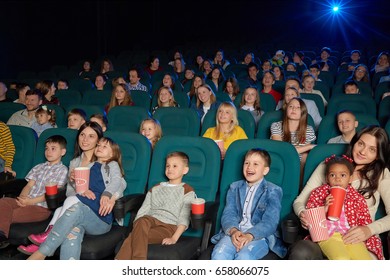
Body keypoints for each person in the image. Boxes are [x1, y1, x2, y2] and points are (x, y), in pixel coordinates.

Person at [289, 125, 390, 260]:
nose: (363, 152)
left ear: (378, 155)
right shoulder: (329, 166)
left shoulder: (381, 174)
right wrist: (304, 214)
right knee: (302, 251)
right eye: (361, 144)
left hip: (361, 239)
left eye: (372, 150)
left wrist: (369, 229)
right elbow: (299, 201)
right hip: (325, 235)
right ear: (354, 142)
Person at [27, 136, 126, 260]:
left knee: (76, 208)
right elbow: (80, 186)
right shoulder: (90, 166)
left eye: (104, 146)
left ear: (113, 153)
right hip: (85, 213)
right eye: (99, 145)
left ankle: (42, 252)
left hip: (100, 217)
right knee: (72, 231)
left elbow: (117, 181)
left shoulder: (112, 164)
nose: (99, 147)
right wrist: (74, 180)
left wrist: (108, 195)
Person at [21, 122, 103, 253]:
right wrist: (73, 182)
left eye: (91, 136)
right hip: (76, 208)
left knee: (67, 205)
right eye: (82, 134)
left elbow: (118, 184)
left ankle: (44, 242)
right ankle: (45, 240)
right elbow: (69, 193)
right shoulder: (74, 162)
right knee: (66, 213)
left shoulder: (103, 160)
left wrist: (110, 196)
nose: (85, 139)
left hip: (94, 210)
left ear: (98, 140)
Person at [115, 151, 196, 260]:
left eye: (175, 166)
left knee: (133, 238)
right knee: (142, 220)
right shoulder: (156, 188)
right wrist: (138, 226)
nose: (170, 169)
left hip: (168, 227)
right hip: (148, 221)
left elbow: (184, 217)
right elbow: (143, 211)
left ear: (185, 170)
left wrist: (174, 238)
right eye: (167, 166)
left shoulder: (187, 190)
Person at [211, 148, 286, 260]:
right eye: (247, 163)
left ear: (265, 170)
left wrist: (250, 235)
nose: (250, 167)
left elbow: (270, 221)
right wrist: (233, 231)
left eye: (256, 164)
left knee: (244, 257)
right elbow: (229, 213)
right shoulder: (234, 187)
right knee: (219, 254)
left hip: (259, 236)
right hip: (236, 232)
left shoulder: (273, 190)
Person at [305, 155, 384, 260]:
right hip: (328, 236)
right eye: (332, 175)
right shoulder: (318, 193)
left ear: (350, 178)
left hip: (350, 235)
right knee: (341, 258)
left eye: (343, 175)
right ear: (326, 178)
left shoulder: (357, 197)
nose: (337, 179)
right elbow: (310, 217)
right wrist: (325, 208)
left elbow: (364, 220)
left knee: (363, 259)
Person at [0, 135, 68, 248]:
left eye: (53, 148)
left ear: (63, 152)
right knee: (3, 202)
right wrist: (22, 198)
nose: (48, 151)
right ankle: (2, 235)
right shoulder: (39, 167)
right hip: (25, 201)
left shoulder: (63, 170)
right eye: (46, 148)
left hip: (41, 207)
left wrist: (30, 202)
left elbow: (51, 193)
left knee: (9, 214)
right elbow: (28, 185)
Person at [271, 97, 316, 185]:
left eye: (298, 107)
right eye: (291, 106)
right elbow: (281, 150)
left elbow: (303, 153)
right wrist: (310, 146)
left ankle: (299, 187)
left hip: (298, 165)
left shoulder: (308, 129)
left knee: (305, 156)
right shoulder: (276, 126)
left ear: (302, 112)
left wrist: (304, 148)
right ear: (286, 109)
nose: (294, 109)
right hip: (279, 161)